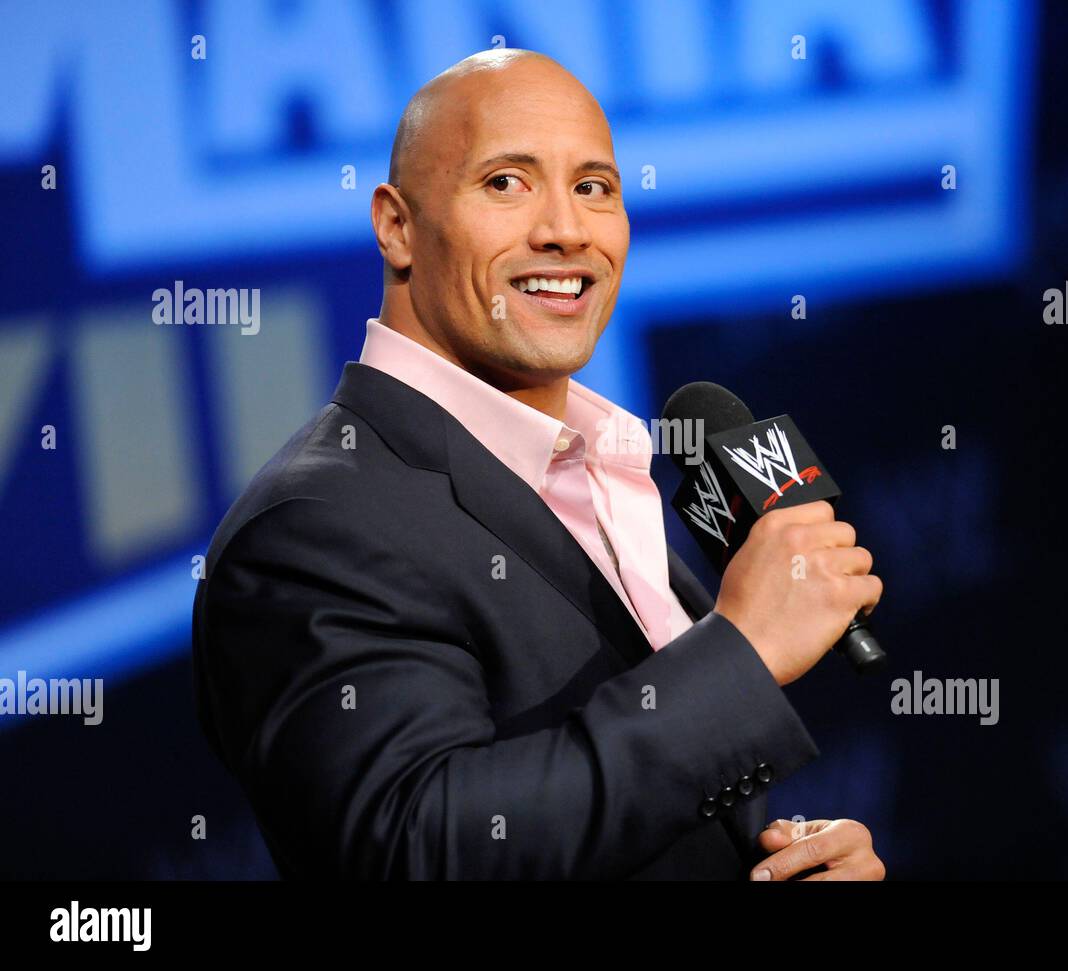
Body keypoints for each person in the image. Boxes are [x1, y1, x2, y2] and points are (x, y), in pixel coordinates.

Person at [191, 49, 885, 880]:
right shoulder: (314, 523)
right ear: (397, 226)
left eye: (595, 187)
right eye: (507, 183)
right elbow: (418, 846)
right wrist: (741, 651)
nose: (566, 228)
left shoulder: (596, 478)